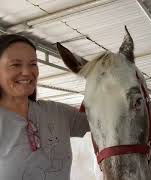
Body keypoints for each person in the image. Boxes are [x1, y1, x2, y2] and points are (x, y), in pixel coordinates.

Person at [0, 34, 90, 180]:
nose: (27, 72)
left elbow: (104, 120)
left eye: (33, 63)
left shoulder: (58, 112)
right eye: (15, 64)